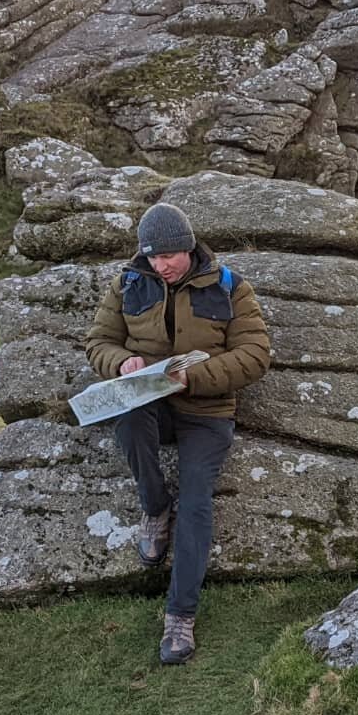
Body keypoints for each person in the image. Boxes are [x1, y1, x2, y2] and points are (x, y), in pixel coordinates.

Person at [85, 203, 271, 665]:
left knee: (197, 501)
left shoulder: (230, 287)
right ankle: (154, 509)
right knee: (127, 418)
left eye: (170, 256)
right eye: (153, 257)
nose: (161, 265)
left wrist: (195, 378)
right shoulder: (127, 282)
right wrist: (119, 363)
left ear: (189, 248)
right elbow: (98, 342)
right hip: (150, 402)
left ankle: (180, 619)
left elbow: (256, 354)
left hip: (207, 411)